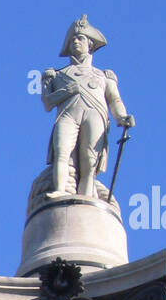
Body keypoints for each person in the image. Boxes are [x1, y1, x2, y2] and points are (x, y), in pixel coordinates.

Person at [42, 15, 134, 199]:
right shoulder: (56, 75)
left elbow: (115, 100)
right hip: (68, 115)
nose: (76, 41)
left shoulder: (103, 76)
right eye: (73, 39)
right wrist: (68, 90)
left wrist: (122, 117)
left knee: (89, 161)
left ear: (90, 44)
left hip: (95, 115)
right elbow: (47, 103)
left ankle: (87, 198)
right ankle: (60, 190)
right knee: (62, 152)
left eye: (80, 38)